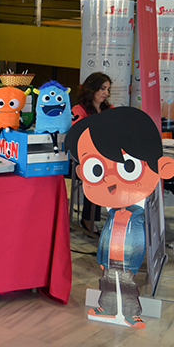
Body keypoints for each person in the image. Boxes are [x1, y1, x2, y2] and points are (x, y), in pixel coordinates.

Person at [66, 107, 174, 328]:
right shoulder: (112, 216)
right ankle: (108, 308)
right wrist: (101, 259)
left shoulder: (135, 218)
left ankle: (130, 313)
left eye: (128, 167)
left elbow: (138, 244)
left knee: (126, 287)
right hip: (110, 262)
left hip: (126, 264)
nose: (109, 179)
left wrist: (132, 265)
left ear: (163, 167)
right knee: (108, 284)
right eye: (95, 170)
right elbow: (105, 239)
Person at [72, 72, 113, 234]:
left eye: (108, 89)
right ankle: (88, 219)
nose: (106, 93)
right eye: (102, 89)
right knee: (97, 172)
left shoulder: (109, 109)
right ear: (92, 89)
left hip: (107, 155)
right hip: (83, 158)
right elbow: (80, 135)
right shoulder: (79, 110)